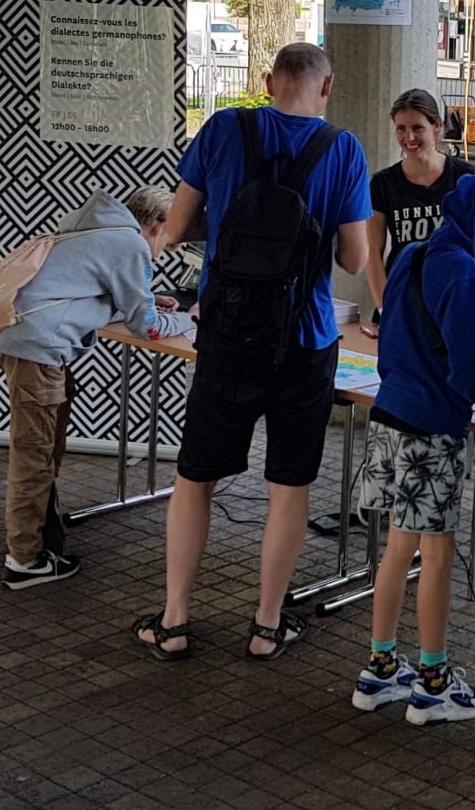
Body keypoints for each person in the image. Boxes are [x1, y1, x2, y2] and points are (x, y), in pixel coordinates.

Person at [133, 43, 371, 660]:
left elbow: (178, 227)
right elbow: (354, 259)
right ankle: (267, 624)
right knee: (288, 487)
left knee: (195, 478)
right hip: (306, 341)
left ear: (268, 82)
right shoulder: (342, 150)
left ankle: (176, 618)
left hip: (227, 337)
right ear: (327, 88)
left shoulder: (221, 129)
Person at [351, 173, 475, 724]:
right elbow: (472, 371)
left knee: (398, 549)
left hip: (389, 415)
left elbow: (395, 335)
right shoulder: (464, 274)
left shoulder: (413, 255)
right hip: (433, 431)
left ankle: (380, 669)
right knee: (439, 555)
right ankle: (433, 682)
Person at [0, 188, 192, 589]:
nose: (168, 251)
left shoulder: (92, 229)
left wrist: (147, 300)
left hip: (11, 338)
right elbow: (146, 326)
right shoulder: (130, 243)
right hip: (35, 348)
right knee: (35, 455)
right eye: (172, 241)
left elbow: (76, 293)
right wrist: (192, 319)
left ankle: (41, 532)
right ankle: (24, 560)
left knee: (42, 446)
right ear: (158, 225)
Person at [367, 89, 475, 316]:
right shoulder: (382, 183)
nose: (409, 138)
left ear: (437, 126)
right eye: (401, 129)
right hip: (400, 302)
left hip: (450, 301)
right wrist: (386, 309)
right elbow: (373, 255)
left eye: (417, 128)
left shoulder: (465, 177)